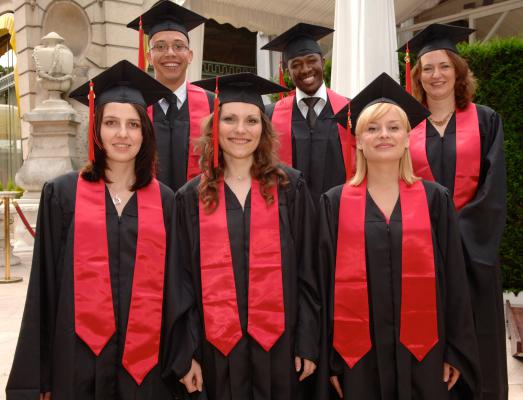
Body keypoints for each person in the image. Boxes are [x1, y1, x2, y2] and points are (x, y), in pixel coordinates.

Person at [6, 60, 197, 400]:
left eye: (132, 125)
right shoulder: (62, 194)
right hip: (75, 360)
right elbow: (44, 288)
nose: (122, 134)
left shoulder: (166, 201)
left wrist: (185, 356)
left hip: (146, 366)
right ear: (96, 128)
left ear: (145, 133)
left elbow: (176, 288)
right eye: (111, 123)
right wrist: (40, 377)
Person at [318, 73, 480, 400]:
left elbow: (455, 281)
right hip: (356, 356)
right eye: (372, 129)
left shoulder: (435, 199)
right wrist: (330, 361)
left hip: (425, 353)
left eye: (394, 128)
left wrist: (454, 350)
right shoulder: (333, 203)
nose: (384, 135)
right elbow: (322, 286)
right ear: (358, 140)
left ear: (408, 137)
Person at [171, 73, 321, 400]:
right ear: (215, 127)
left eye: (252, 120)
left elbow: (309, 269)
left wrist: (307, 340)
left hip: (282, 346)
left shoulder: (290, 188)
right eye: (230, 120)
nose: (241, 130)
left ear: (264, 130)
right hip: (214, 351)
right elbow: (180, 283)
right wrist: (188, 352)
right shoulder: (190, 198)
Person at [399, 23, 507, 400]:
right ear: (418, 75)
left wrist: (456, 237)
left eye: (444, 66)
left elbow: (494, 191)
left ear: (458, 71)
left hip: (471, 257)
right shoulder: (406, 126)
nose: (436, 75)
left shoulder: (485, 119)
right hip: (421, 257)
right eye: (427, 68)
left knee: (478, 341)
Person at [127, 0, 214, 193]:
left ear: (190, 55)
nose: (170, 53)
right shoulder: (134, 105)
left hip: (199, 211)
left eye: (178, 46)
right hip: (147, 210)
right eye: (160, 47)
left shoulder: (212, 104)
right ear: (149, 57)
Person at [262, 23, 352, 205]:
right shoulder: (270, 115)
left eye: (312, 61)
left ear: (323, 63)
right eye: (296, 64)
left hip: (339, 214)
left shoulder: (350, 110)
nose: (305, 69)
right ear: (288, 71)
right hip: (291, 217)